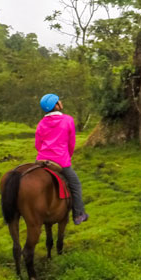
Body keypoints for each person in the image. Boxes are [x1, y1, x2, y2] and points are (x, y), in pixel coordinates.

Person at [35, 93, 88, 224]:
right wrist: (67, 157)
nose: (61, 102)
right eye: (59, 101)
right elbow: (71, 143)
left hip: (41, 160)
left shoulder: (41, 123)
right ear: (56, 105)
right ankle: (78, 215)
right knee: (76, 185)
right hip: (60, 161)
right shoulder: (68, 120)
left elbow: (38, 145)